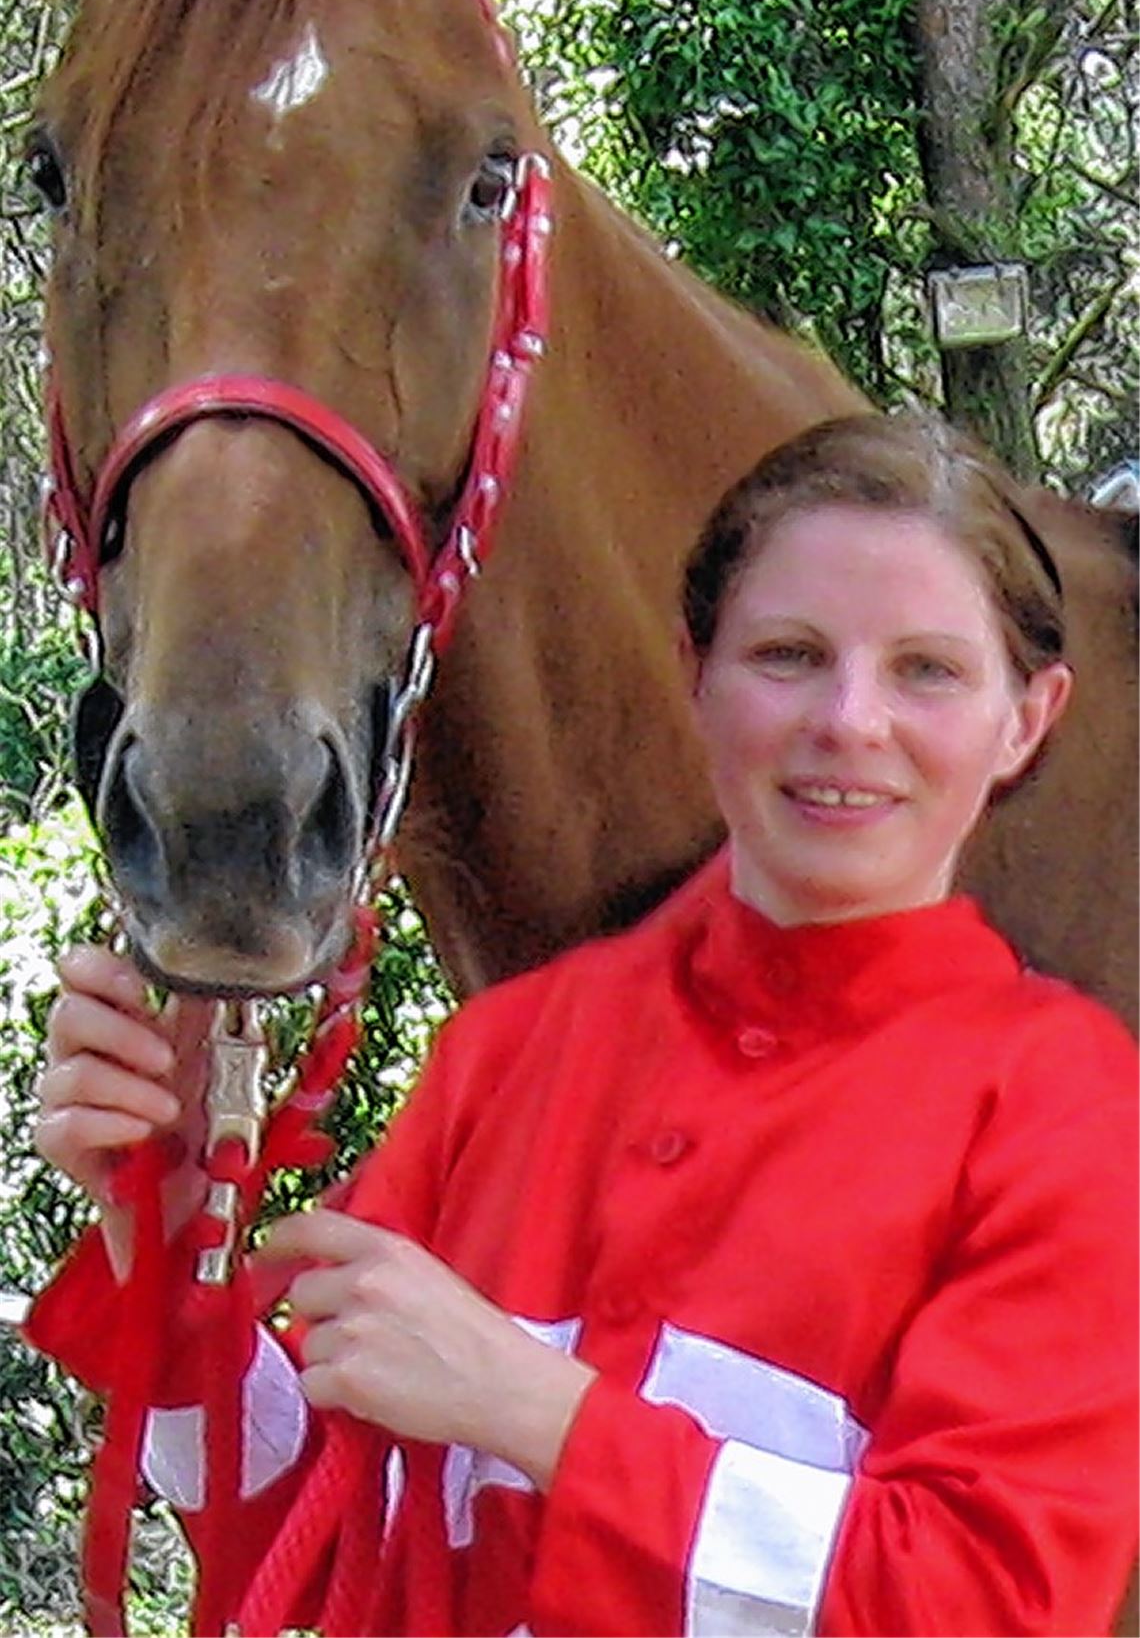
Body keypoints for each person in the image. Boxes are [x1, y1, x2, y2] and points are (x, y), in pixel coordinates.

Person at [27, 410, 1139, 1636]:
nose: (850, 724)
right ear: (695, 675)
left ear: (1026, 719)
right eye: (788, 655)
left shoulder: (1062, 1109)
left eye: (926, 669)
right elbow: (309, 1532)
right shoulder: (509, 1054)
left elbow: (987, 1604)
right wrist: (170, 1230)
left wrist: (543, 1416)